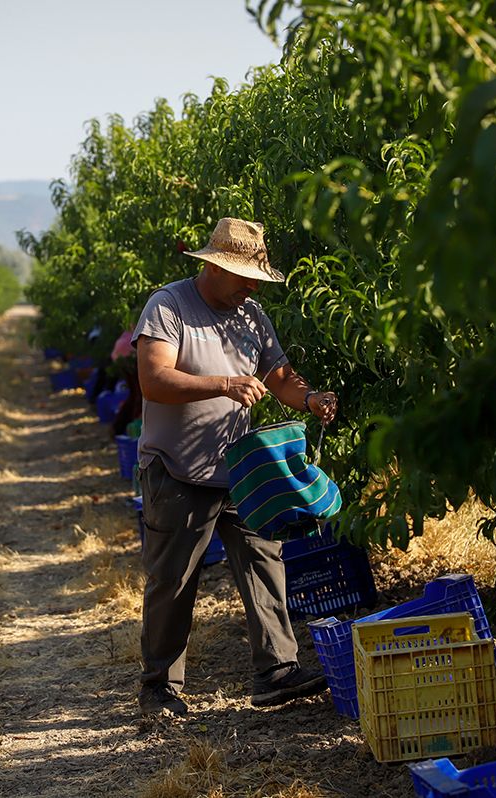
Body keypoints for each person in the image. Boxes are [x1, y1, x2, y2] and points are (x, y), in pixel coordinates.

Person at [132, 217, 339, 717]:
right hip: (176, 467)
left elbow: (280, 375)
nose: (251, 286)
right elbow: (154, 380)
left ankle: (276, 670)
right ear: (215, 267)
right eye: (244, 276)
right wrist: (223, 385)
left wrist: (309, 399)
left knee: (264, 559)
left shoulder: (251, 315)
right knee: (175, 579)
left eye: (255, 278)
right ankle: (160, 687)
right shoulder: (169, 306)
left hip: (239, 467)